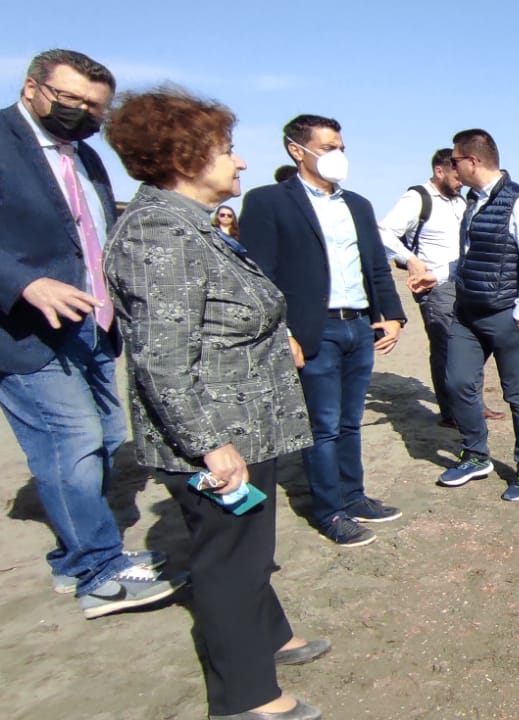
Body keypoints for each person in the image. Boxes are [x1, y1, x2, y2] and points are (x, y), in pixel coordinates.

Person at [103, 84, 327, 720]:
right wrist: (210, 443)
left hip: (244, 419)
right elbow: (161, 360)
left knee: (247, 547)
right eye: (227, 150)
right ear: (183, 156)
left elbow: (215, 314)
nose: (242, 162)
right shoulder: (160, 235)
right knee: (230, 559)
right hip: (218, 432)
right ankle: (248, 697)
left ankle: (271, 636)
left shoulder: (187, 227)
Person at [0, 48, 185, 618]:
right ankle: (98, 573)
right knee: (71, 442)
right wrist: (23, 283)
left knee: (103, 440)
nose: (81, 112)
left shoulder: (86, 159)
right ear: (33, 88)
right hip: (26, 332)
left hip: (92, 328)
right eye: (70, 99)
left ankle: (75, 556)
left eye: (94, 107)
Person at [237, 114, 406, 547]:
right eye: (329, 147)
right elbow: (260, 277)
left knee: (351, 421)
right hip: (315, 330)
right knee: (323, 425)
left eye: (341, 148)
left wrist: (392, 315)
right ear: (298, 149)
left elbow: (375, 267)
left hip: (359, 326)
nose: (338, 156)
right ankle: (329, 511)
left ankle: (354, 496)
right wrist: (283, 333)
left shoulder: (358, 205)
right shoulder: (268, 201)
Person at [436, 129, 519, 502]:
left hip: (505, 315)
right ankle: (476, 454)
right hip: (467, 313)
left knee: (516, 394)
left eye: (454, 160)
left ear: (473, 161)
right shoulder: (473, 201)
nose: (451, 167)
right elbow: (469, 256)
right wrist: (437, 276)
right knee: (457, 384)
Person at [376, 148, 505, 429]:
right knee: (447, 347)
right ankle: (451, 412)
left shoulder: (459, 201)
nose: (461, 182)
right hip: (434, 289)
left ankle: (474, 404)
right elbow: (383, 232)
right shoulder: (417, 198)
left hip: (464, 282)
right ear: (439, 171)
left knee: (473, 344)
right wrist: (409, 260)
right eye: (456, 176)